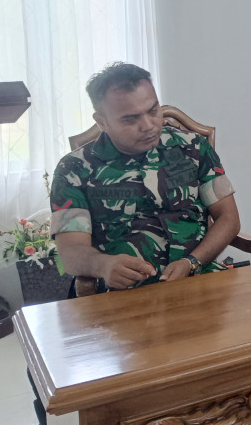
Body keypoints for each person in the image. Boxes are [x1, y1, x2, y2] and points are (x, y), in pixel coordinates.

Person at [49, 62, 241, 291]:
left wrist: (192, 262)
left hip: (198, 279)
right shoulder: (73, 169)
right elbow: (71, 252)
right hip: (122, 293)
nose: (149, 126)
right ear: (102, 122)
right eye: (130, 119)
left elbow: (228, 218)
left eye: (153, 111)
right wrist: (104, 265)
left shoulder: (194, 148)